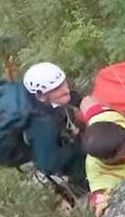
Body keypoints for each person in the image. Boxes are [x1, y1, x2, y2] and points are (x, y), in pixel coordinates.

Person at [22, 62, 88, 192]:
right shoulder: (42, 125)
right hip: (72, 169)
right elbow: (49, 164)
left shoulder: (62, 99)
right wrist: (76, 145)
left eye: (63, 83)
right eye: (57, 88)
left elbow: (76, 100)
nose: (65, 89)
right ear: (41, 96)